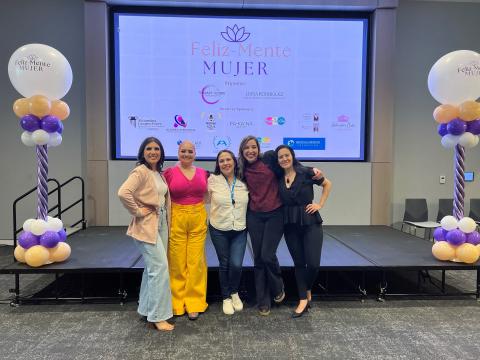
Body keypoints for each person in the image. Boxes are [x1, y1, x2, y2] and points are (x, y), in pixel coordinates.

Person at [118, 137, 174, 331]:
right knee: (159, 269)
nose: (153, 151)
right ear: (143, 152)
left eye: (156, 148)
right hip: (146, 225)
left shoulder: (158, 172)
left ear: (161, 152)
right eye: (149, 148)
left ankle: (147, 310)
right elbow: (123, 192)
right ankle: (158, 317)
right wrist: (137, 211)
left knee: (153, 270)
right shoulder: (140, 171)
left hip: (161, 223)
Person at [275, 145, 332, 318]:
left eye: (287, 155)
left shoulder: (307, 172)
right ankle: (302, 299)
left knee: (313, 263)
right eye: (280, 157)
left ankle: (307, 288)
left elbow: (327, 184)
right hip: (289, 224)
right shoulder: (277, 177)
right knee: (299, 263)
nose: (284, 159)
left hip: (310, 222)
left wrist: (319, 204)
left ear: (292, 156)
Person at [163, 140, 209, 320]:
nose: (187, 154)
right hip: (177, 217)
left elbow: (209, 194)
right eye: (183, 151)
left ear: (195, 154)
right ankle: (176, 302)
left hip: (198, 216)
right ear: (178, 152)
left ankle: (194, 303)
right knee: (176, 262)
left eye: (190, 151)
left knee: (196, 263)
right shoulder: (169, 173)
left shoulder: (203, 173)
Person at [208, 150, 249, 315]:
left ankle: (234, 292)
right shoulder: (212, 180)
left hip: (240, 229)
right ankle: (226, 297)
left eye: (228, 160)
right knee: (224, 263)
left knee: (237, 264)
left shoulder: (244, 181)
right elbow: (200, 196)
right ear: (218, 164)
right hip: (219, 228)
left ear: (234, 161)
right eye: (221, 160)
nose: (225, 163)